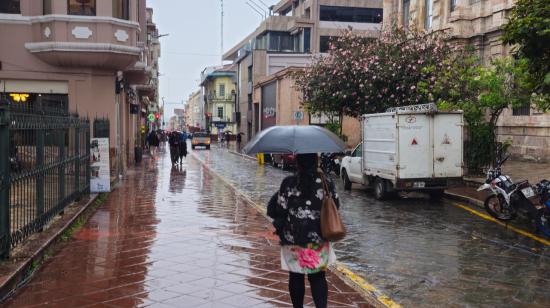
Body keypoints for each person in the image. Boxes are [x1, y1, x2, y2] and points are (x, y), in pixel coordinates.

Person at [267, 153, 340, 308]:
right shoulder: (326, 182)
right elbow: (336, 205)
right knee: (318, 277)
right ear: (315, 161)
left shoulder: (288, 183)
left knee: (295, 276)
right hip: (318, 237)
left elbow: (280, 210)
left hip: (293, 238)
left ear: (298, 163)